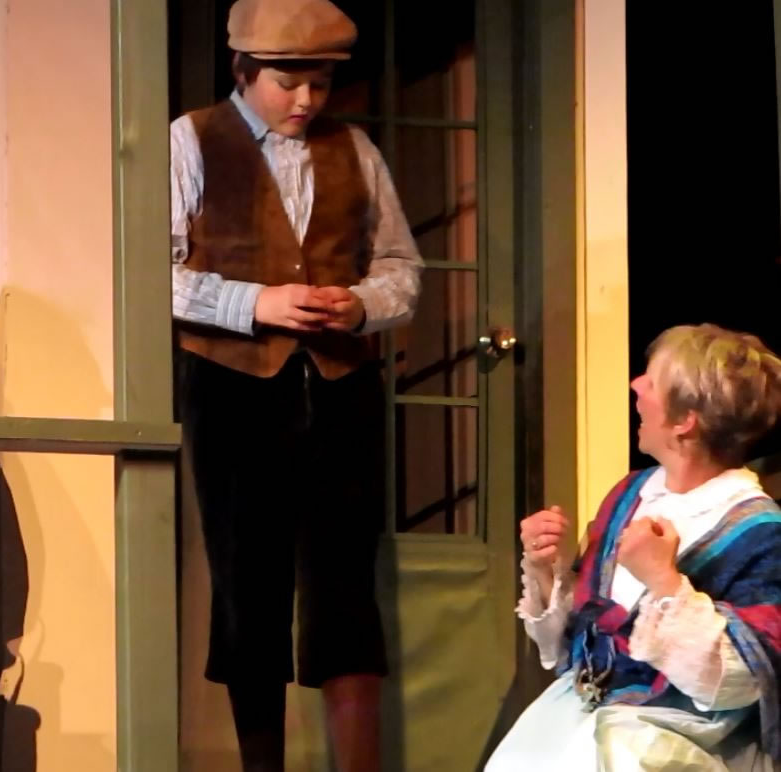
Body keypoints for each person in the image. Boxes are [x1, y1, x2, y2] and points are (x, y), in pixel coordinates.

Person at [171, 0, 423, 769]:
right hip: (233, 387)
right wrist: (255, 303)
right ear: (244, 70)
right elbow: (151, 270)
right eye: (288, 83)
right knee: (248, 583)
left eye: (320, 83)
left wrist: (360, 304)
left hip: (341, 387)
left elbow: (401, 267)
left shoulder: (354, 148)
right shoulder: (193, 138)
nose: (306, 100)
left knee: (345, 586)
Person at [487, 324, 781, 771]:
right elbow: (580, 641)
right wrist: (547, 569)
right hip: (587, 712)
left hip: (682, 735)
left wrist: (664, 582)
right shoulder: (632, 494)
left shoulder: (760, 531)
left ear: (685, 421)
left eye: (653, 381)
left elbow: (745, 681)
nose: (636, 385)